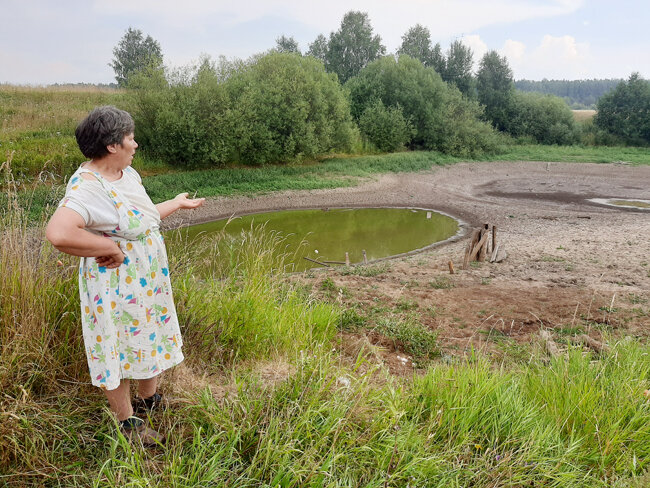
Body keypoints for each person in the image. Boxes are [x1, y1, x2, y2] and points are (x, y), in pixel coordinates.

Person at [46, 106, 204, 446]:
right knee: (114, 342)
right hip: (114, 282)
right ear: (112, 145)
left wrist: (175, 203)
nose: (135, 144)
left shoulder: (127, 174)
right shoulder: (88, 187)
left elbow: (141, 220)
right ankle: (126, 422)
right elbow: (58, 232)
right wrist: (112, 250)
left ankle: (147, 400)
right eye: (130, 138)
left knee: (149, 332)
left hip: (146, 276)